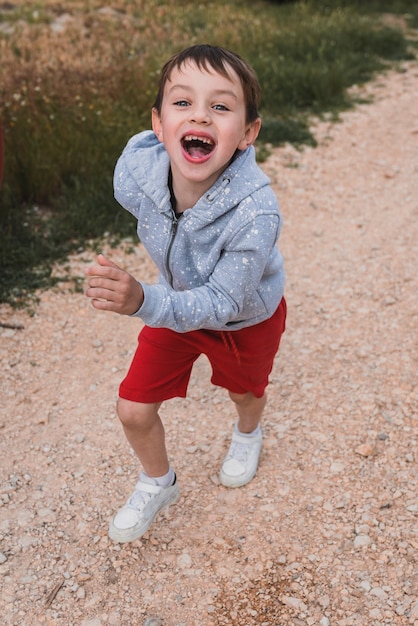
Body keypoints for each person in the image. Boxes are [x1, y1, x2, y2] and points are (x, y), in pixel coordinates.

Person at [85, 44, 286, 543]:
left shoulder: (256, 212)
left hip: (243, 320)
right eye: (182, 103)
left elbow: (222, 303)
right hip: (175, 309)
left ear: (247, 134)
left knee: (244, 390)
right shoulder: (138, 174)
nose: (200, 114)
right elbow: (135, 176)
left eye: (221, 106)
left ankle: (247, 433)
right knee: (132, 407)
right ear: (157, 124)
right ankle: (159, 481)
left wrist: (142, 301)